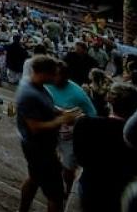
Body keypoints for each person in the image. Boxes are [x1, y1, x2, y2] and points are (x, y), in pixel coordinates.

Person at [16, 55, 82, 212]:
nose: (56, 77)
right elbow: (34, 126)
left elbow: (46, 106)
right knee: (56, 195)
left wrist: (62, 112)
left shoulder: (38, 86)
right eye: (53, 73)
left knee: (34, 179)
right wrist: (61, 120)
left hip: (42, 146)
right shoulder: (29, 94)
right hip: (38, 148)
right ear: (43, 73)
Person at [73, 82, 137, 212]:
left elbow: (80, 159)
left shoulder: (85, 124)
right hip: (121, 191)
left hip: (91, 186)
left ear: (109, 102)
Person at [45, 58, 98, 198]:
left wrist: (75, 120)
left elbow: (92, 115)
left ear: (65, 76)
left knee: (68, 168)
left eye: (56, 74)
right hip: (49, 129)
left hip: (69, 136)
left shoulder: (78, 93)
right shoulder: (46, 84)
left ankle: (68, 189)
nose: (53, 77)